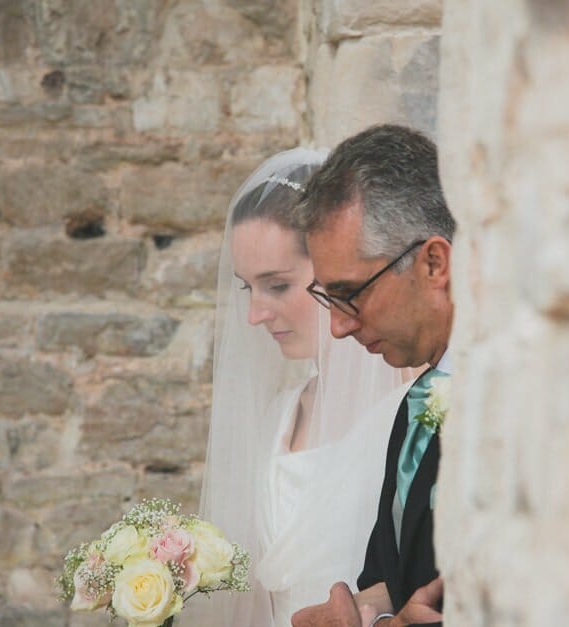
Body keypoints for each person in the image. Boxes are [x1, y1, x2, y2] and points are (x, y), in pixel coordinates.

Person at [192, 148, 412, 626]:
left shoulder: (414, 407)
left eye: (276, 285)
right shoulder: (278, 417)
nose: (255, 315)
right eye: (248, 288)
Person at [290, 125, 455, 627]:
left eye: (350, 294)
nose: (338, 327)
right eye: (328, 299)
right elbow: (395, 574)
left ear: (433, 263)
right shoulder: (416, 405)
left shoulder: (524, 394)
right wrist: (363, 613)